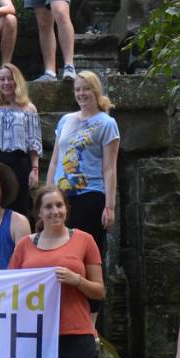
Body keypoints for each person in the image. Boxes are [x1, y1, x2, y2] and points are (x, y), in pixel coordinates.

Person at [9, 187, 106, 358]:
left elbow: (99, 291)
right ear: (39, 212)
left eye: (59, 205)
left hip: (75, 332)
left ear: (66, 209)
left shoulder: (85, 240)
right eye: (48, 207)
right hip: (33, 335)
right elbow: (11, 288)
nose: (55, 211)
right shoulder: (24, 245)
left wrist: (77, 280)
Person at [54, 71, 120, 278]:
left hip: (90, 195)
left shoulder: (107, 123)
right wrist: (47, 194)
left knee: (88, 255)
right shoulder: (65, 120)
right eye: (78, 90)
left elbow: (110, 168)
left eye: (86, 89)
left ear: (95, 90)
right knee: (60, 253)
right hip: (61, 198)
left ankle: (92, 298)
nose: (81, 94)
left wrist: (110, 206)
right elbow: (55, 160)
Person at [0, 64, 42, 216]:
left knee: (20, 207)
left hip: (20, 163)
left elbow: (34, 142)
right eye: (2, 79)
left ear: (17, 81)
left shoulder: (29, 108)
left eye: (10, 79)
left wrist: (35, 169)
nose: (6, 83)